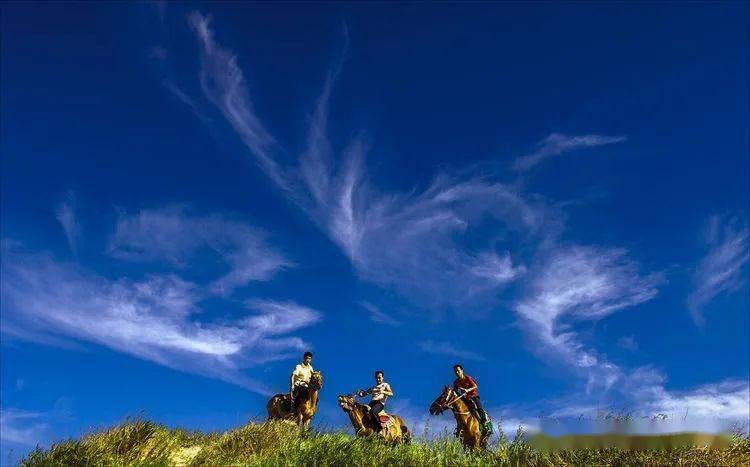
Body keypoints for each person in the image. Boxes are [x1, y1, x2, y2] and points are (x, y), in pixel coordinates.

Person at [453, 364, 489, 432]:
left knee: (479, 408)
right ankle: (460, 426)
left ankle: (484, 423)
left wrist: (467, 390)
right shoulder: (456, 383)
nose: (457, 373)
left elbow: (475, 386)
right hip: (465, 399)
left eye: (458, 371)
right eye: (455, 372)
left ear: (462, 371)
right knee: (459, 410)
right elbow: (456, 392)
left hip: (473, 396)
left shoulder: (467, 378)